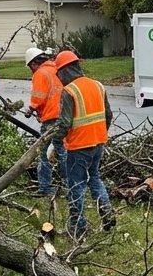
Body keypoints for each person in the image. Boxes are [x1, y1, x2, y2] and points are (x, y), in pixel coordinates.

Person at [51, 49, 116, 241]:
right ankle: (106, 210)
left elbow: (64, 123)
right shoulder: (98, 85)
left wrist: (56, 142)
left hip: (79, 146)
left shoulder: (69, 91)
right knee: (94, 177)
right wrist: (101, 133)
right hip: (98, 142)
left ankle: (78, 228)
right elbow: (108, 115)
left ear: (64, 71)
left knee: (76, 185)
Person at [25, 46, 66, 197]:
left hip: (50, 118)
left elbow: (38, 97)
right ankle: (71, 185)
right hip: (63, 116)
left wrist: (31, 108)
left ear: (33, 63)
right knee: (62, 151)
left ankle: (45, 187)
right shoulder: (56, 69)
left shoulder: (40, 73)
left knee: (42, 153)